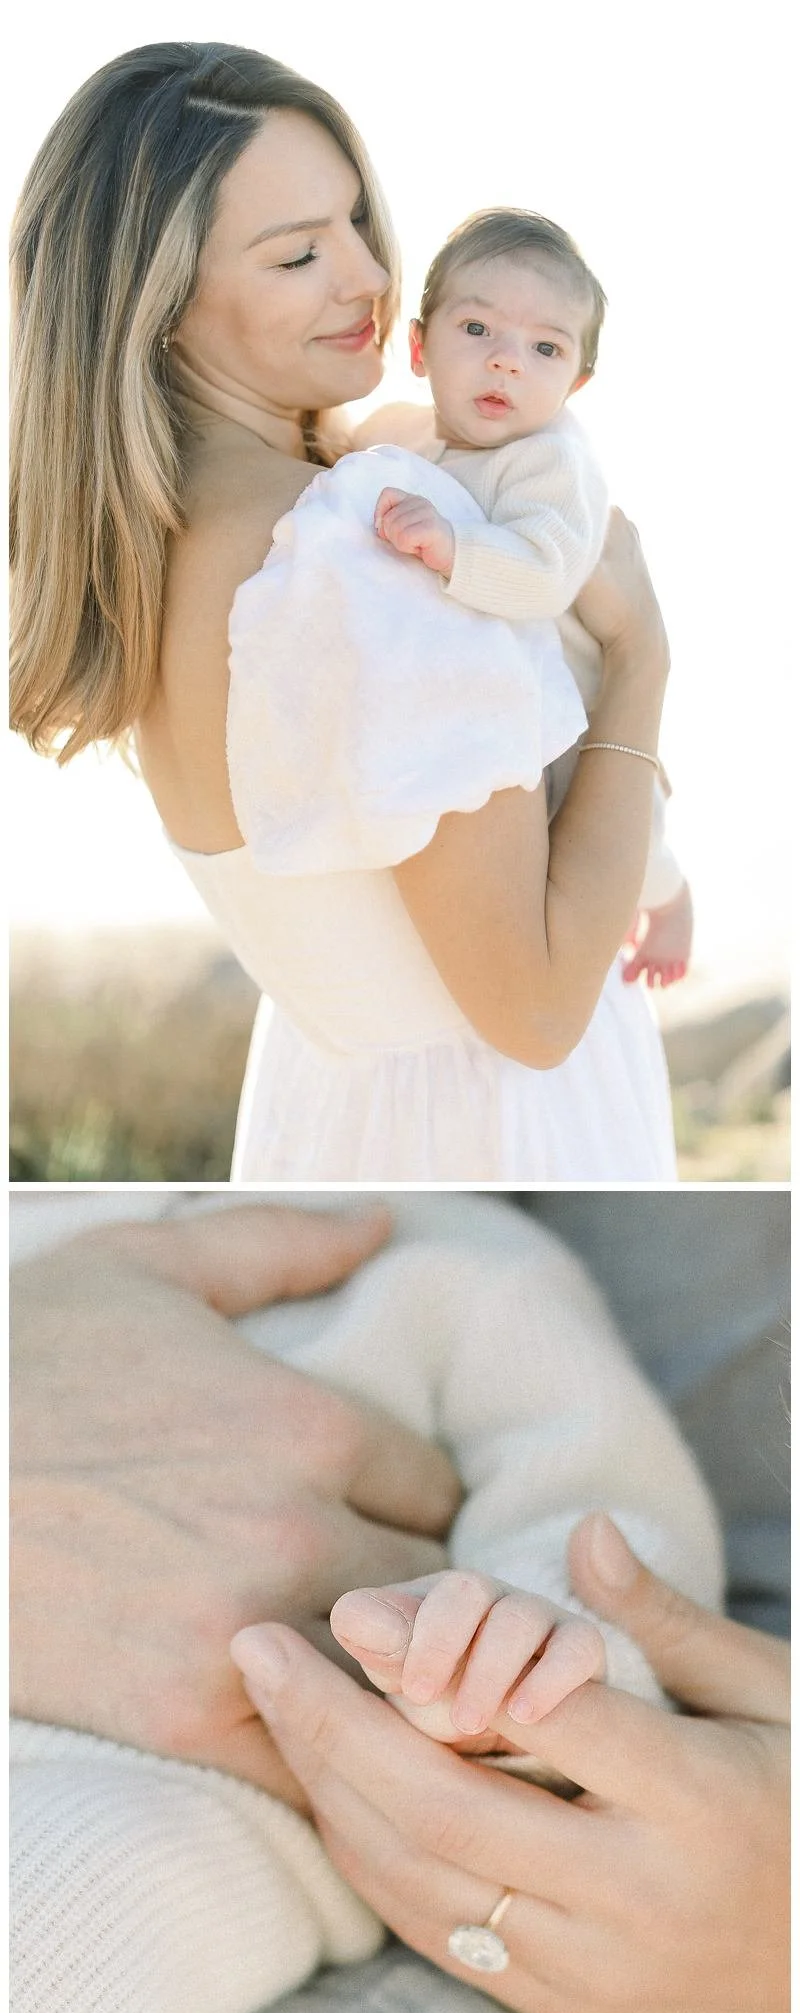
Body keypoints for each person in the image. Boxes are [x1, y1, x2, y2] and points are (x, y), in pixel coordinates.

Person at [10, 1191, 789, 2013]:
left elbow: (604, 1516)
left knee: (51, 1930)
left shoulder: (448, 1258)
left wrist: (505, 1673)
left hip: (227, 1805)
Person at [11, 40, 677, 1182]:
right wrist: (642, 660)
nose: (369, 278)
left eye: (357, 221)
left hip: (330, 1108)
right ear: (160, 307)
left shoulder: (171, 539)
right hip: (496, 1126)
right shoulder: (348, 550)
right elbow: (536, 1010)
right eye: (297, 256)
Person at [364, 207, 691, 984]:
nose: (508, 362)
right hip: (512, 724)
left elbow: (548, 571)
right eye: (477, 331)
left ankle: (674, 904)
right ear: (418, 345)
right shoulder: (403, 432)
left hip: (582, 722)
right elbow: (348, 455)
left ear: (576, 382)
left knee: (626, 840)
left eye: (544, 348)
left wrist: (454, 546)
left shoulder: (552, 464)